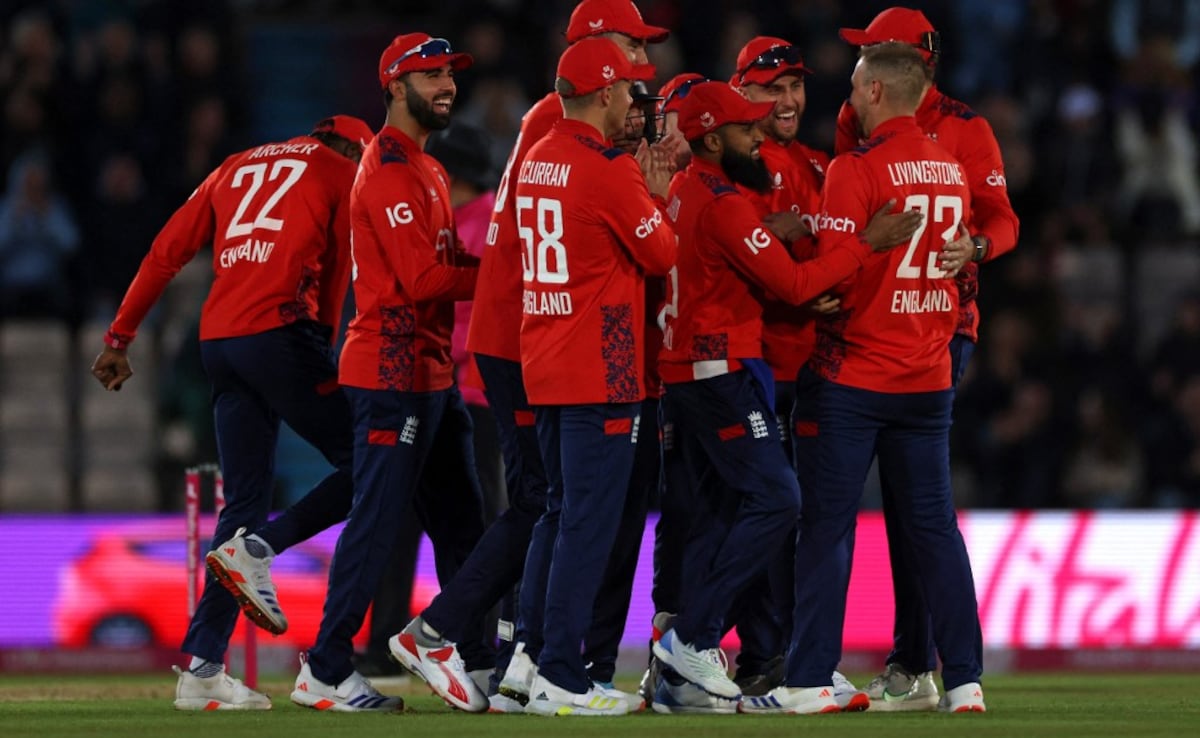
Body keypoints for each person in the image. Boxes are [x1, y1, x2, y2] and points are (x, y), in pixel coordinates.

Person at [90, 114, 374, 710]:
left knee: (241, 502)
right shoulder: (342, 172)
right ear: (352, 149)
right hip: (282, 334)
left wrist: (119, 337)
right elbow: (337, 276)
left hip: (219, 342)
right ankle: (263, 548)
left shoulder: (234, 165)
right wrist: (320, 353)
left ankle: (202, 670)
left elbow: (166, 252)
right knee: (373, 459)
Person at [743, 43, 985, 715]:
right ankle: (965, 681)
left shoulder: (856, 168)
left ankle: (808, 679)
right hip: (927, 377)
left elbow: (836, 272)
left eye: (854, 88)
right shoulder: (949, 168)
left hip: (854, 375)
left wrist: (804, 253)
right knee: (934, 529)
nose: (846, 101)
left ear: (876, 91)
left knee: (827, 527)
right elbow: (961, 264)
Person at [650, 80, 906, 709]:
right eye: (745, 129)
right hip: (719, 369)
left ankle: (682, 666)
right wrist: (867, 243)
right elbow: (793, 284)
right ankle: (692, 637)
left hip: (691, 368)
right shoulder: (723, 204)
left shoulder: (685, 189)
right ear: (714, 140)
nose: (758, 138)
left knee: (720, 512)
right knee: (779, 497)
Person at [466, 0, 671, 711]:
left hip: (544, 358)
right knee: (588, 521)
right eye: (626, 86)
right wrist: (656, 194)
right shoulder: (606, 168)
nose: (635, 96)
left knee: (557, 512)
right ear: (605, 92)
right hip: (600, 364)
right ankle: (560, 670)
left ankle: (531, 661)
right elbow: (661, 252)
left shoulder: (538, 158)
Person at [289, 33, 487, 713]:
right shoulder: (390, 170)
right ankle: (326, 668)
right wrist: (505, 276)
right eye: (431, 75)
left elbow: (446, 266)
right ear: (395, 87)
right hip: (390, 374)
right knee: (375, 521)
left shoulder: (428, 168)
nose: (447, 86)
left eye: (450, 75)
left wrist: (490, 270)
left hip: (431, 374)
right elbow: (423, 278)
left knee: (463, 527)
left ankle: (480, 661)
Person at [835, 7, 1019, 711]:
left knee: (911, 508)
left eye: (869, 54)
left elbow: (1003, 221)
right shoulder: (858, 119)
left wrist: (977, 247)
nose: (857, 71)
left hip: (938, 330)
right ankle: (928, 665)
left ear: (902, 66)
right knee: (918, 509)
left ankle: (913, 662)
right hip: (870, 330)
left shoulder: (967, 129)